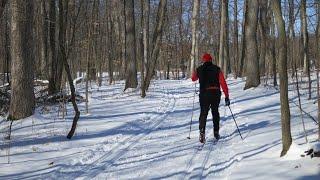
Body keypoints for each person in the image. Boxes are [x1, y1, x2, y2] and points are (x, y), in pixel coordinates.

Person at [191, 53, 230, 143]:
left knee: (203, 113)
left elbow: (193, 78)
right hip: (215, 93)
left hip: (204, 94)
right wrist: (226, 96)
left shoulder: (200, 69)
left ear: (203, 60)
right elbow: (223, 83)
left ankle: (202, 132)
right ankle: (216, 132)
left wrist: (196, 70)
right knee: (215, 112)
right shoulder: (217, 69)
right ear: (211, 60)